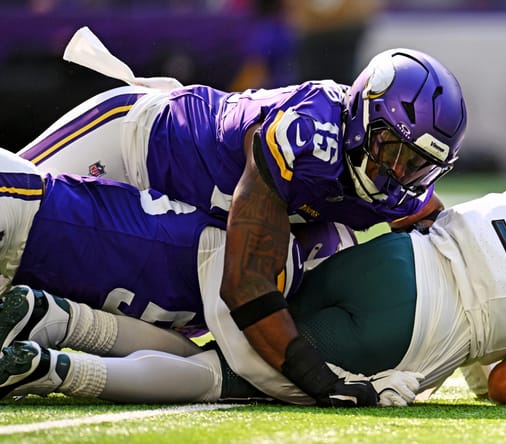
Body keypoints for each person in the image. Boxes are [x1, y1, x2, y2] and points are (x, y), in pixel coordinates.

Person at [0, 156, 506, 405]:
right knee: (219, 378)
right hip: (420, 325)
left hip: (396, 256)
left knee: (224, 337)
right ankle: (54, 367)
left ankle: (47, 316)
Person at [15, 28, 467, 406]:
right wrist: (322, 381)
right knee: (12, 212)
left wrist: (453, 343)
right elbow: (245, 284)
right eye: (392, 150)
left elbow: (451, 259)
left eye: (418, 164)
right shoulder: (309, 134)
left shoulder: (404, 192)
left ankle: (48, 323)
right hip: (138, 141)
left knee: (218, 316)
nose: (399, 174)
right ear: (362, 117)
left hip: (205, 212)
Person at [0, 146, 415, 405]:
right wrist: (343, 386)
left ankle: (45, 317)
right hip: (24, 210)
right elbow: (240, 368)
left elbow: (182, 352)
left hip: (30, 236)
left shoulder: (228, 266)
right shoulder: (255, 259)